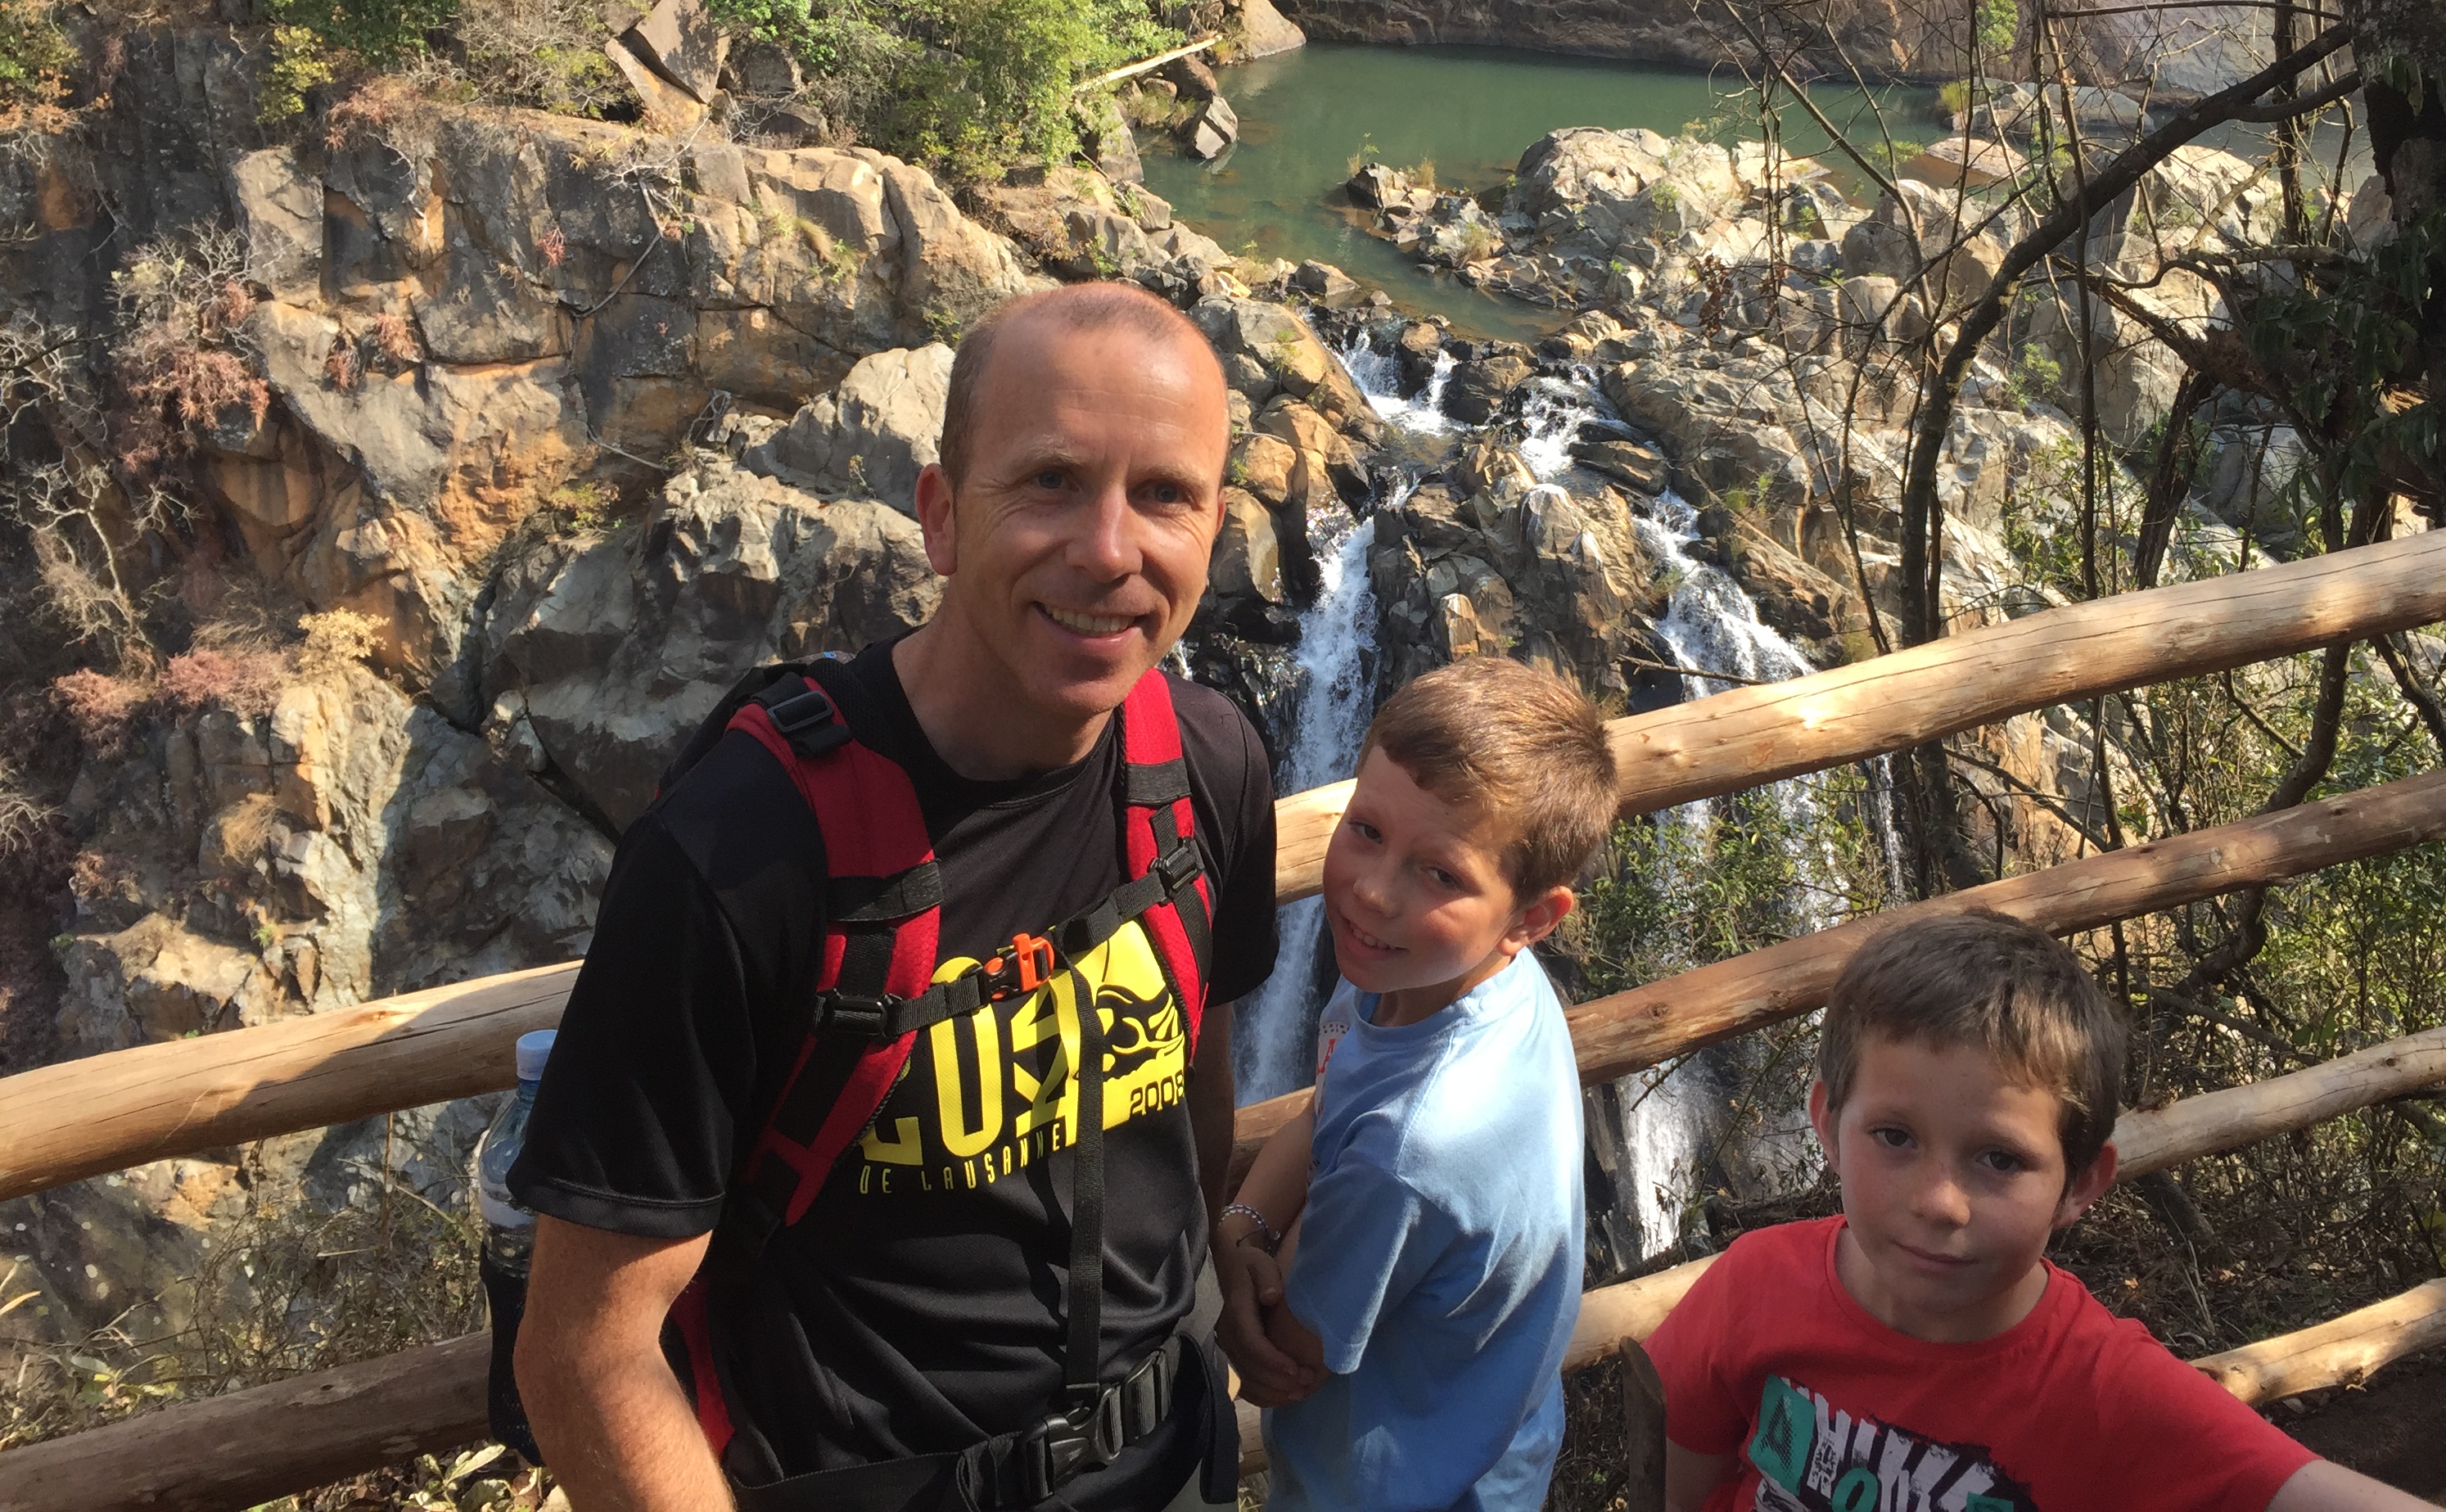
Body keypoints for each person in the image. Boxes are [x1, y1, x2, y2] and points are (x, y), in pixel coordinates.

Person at [508, 282, 1281, 1512]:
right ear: (941, 515)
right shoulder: (743, 852)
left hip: (1169, 1458)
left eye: (1165, 495)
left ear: (1214, 526)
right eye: (1051, 481)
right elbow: (584, 1351)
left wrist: (1228, 1235)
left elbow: (1197, 1075)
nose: (1109, 549)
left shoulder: (1207, 764)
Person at [1646, 909, 2446, 1512]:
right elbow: (1676, 1482)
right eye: (1895, 1137)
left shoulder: (2106, 1392)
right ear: (1827, 1123)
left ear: (2081, 1184)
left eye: (2000, 1159)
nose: (1939, 1202)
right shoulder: (1755, 1285)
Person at [1215, 657, 1618, 1512]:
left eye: (1441, 874)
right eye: (1365, 829)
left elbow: (1288, 1350)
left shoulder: (1412, 1149)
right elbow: (1329, 1105)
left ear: (1531, 918)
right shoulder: (1451, 977)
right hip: (1489, 1444)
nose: (1371, 891)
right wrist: (1243, 1226)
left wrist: (1234, 1273)